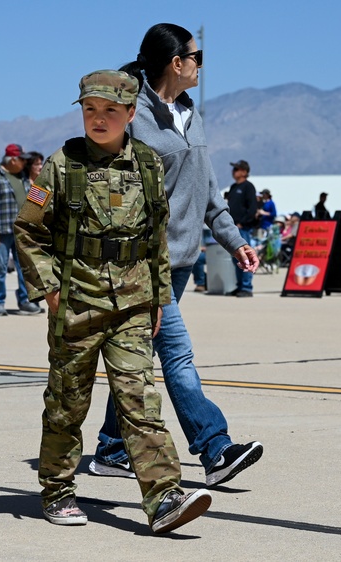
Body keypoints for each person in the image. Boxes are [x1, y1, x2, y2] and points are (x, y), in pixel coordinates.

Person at [16, 70, 211, 534]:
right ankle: (58, 491)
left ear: (130, 114)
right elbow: (28, 230)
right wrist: (49, 289)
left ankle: (164, 496)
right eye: (90, 110)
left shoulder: (147, 163)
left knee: (141, 400)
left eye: (109, 111)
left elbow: (156, 238)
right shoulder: (63, 164)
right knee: (68, 403)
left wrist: (160, 295)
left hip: (133, 305)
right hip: (77, 305)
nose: (98, 119)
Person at [90, 23, 263, 490]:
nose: (200, 64)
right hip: (146, 263)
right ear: (175, 62)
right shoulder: (135, 118)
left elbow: (207, 192)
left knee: (141, 354)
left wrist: (234, 239)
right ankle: (214, 447)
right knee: (177, 356)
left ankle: (110, 449)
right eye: (196, 56)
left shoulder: (191, 114)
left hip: (183, 261)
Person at [0, 143, 43, 316]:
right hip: (3, 229)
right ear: (12, 160)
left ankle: (25, 300)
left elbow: (37, 198)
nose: (24, 163)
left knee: (24, 268)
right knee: (0, 267)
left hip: (23, 229)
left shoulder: (24, 177)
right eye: (22, 159)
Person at [226, 160, 258, 297]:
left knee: (246, 257)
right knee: (236, 258)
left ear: (244, 172)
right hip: (232, 228)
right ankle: (239, 286)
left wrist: (242, 223)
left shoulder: (248, 187)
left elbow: (252, 209)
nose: (234, 172)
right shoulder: (233, 187)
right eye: (234, 169)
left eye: (237, 169)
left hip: (242, 228)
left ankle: (246, 287)